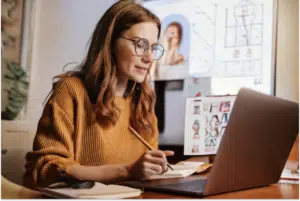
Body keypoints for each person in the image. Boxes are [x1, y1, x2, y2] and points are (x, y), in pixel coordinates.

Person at [23, 0, 174, 188]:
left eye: (152, 47)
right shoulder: (71, 91)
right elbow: (45, 168)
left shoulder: (143, 101)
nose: (149, 57)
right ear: (110, 42)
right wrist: (127, 171)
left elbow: (145, 173)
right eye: (140, 44)